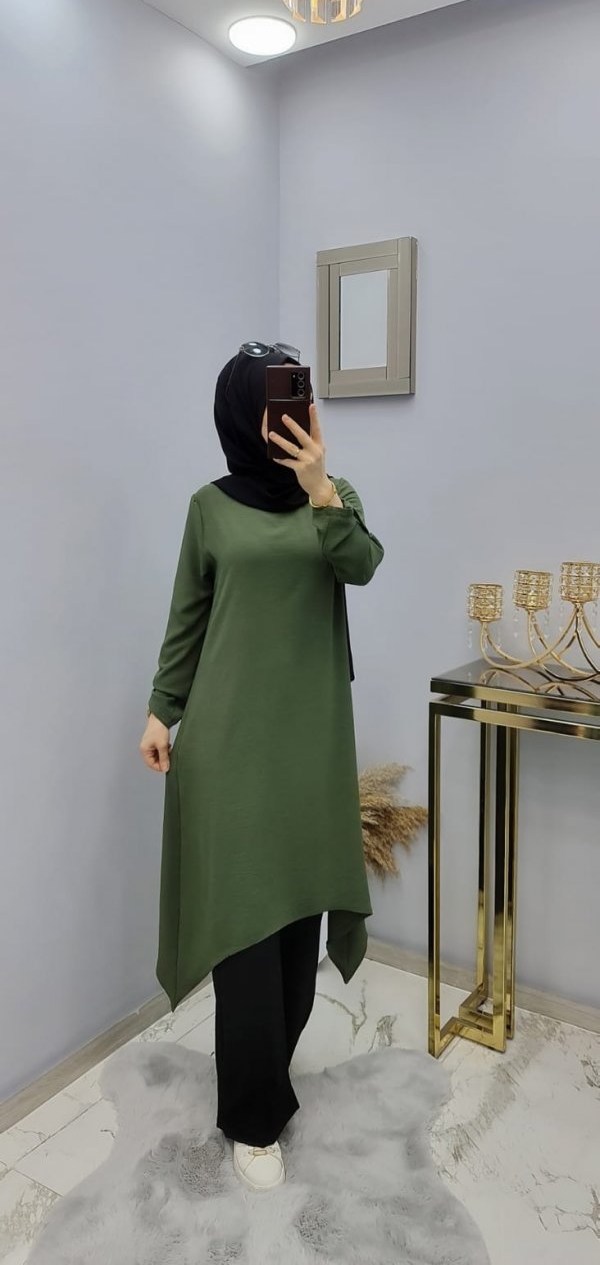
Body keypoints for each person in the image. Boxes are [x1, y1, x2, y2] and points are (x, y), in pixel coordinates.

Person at [139, 342, 384, 1192]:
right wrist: (162, 707)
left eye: (300, 396)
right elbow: (189, 613)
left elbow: (362, 564)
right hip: (229, 746)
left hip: (310, 747)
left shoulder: (334, 498)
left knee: (296, 925)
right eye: (276, 399)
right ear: (244, 415)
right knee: (245, 929)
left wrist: (321, 488)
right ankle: (252, 1116)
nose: (293, 412)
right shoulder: (208, 508)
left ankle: (266, 1073)